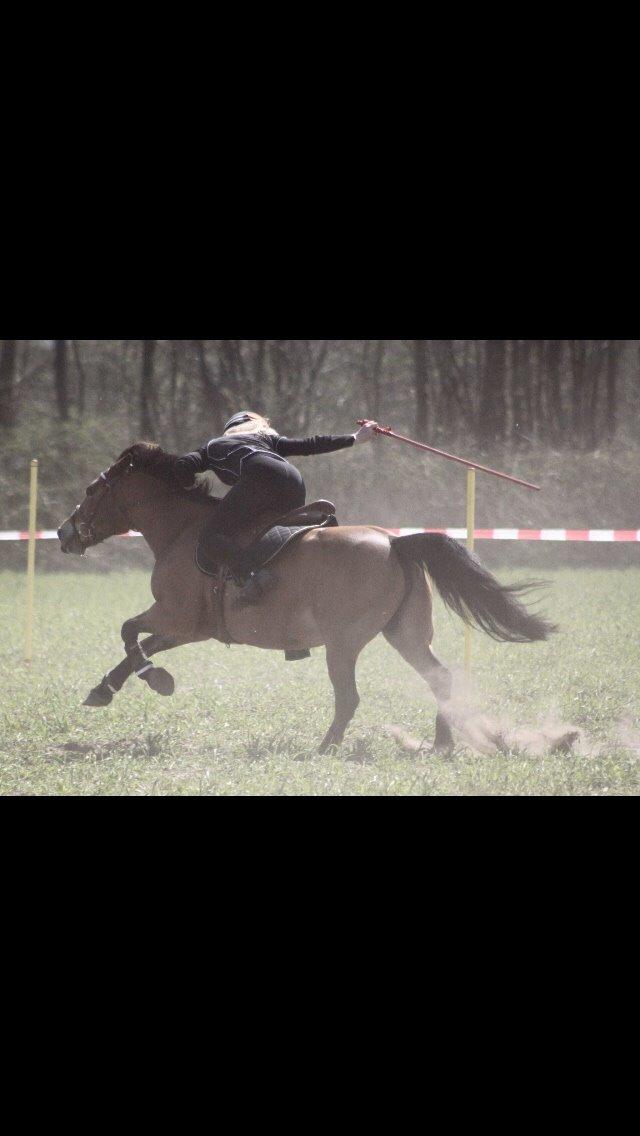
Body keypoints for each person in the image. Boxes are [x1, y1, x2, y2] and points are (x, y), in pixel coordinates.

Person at [173, 412, 379, 602]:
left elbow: (183, 465)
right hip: (294, 481)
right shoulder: (266, 439)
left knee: (210, 537)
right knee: (277, 534)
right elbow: (309, 445)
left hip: (260, 476)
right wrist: (355, 437)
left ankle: (253, 577)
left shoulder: (214, 445)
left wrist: (189, 486)